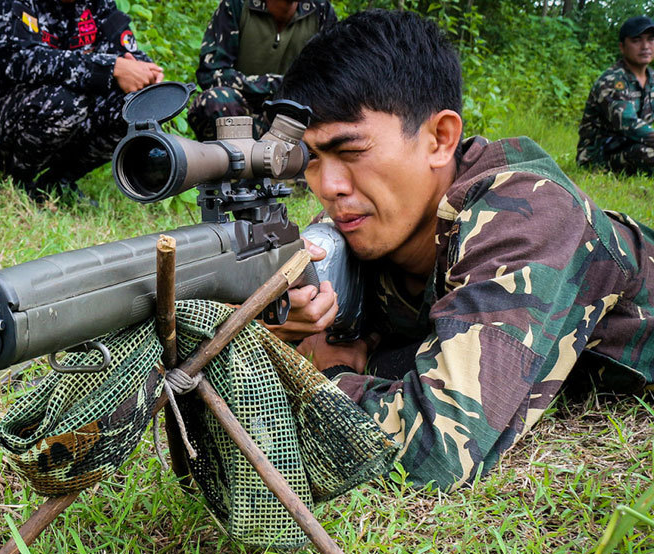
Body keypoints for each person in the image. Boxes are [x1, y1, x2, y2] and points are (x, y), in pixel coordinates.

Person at [269, 10, 654, 490]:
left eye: (350, 152)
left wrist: (319, 371)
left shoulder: (527, 211)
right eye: (311, 159)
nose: (328, 186)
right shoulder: (359, 221)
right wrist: (280, 325)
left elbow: (438, 452)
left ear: (439, 139)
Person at [0, 0, 164, 201]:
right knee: (67, 102)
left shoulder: (96, 3)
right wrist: (109, 68)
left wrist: (145, 71)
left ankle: (56, 182)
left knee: (138, 104)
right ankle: (18, 183)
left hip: (64, 112)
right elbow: (19, 62)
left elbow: (124, 47)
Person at [187, 0, 336, 141]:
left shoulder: (321, 10)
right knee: (213, 101)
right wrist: (273, 84)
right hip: (244, 111)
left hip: (295, 112)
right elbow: (211, 73)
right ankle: (234, 162)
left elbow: (330, 78)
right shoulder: (237, 5)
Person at [576, 16, 654, 173]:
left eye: (651, 39)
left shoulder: (652, 78)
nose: (645, 46)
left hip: (633, 146)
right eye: (636, 40)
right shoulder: (612, 80)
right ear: (622, 47)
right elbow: (629, 124)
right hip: (600, 156)